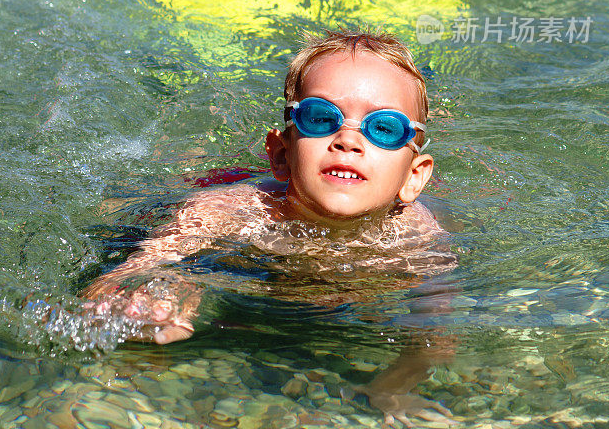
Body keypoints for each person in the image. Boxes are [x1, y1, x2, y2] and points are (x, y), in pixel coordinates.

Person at [81, 29, 456, 423]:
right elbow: (142, 264)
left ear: (414, 178)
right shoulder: (232, 208)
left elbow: (435, 338)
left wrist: (392, 388)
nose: (348, 139)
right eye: (320, 118)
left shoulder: (419, 240)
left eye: (384, 128)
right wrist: (154, 293)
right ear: (280, 155)